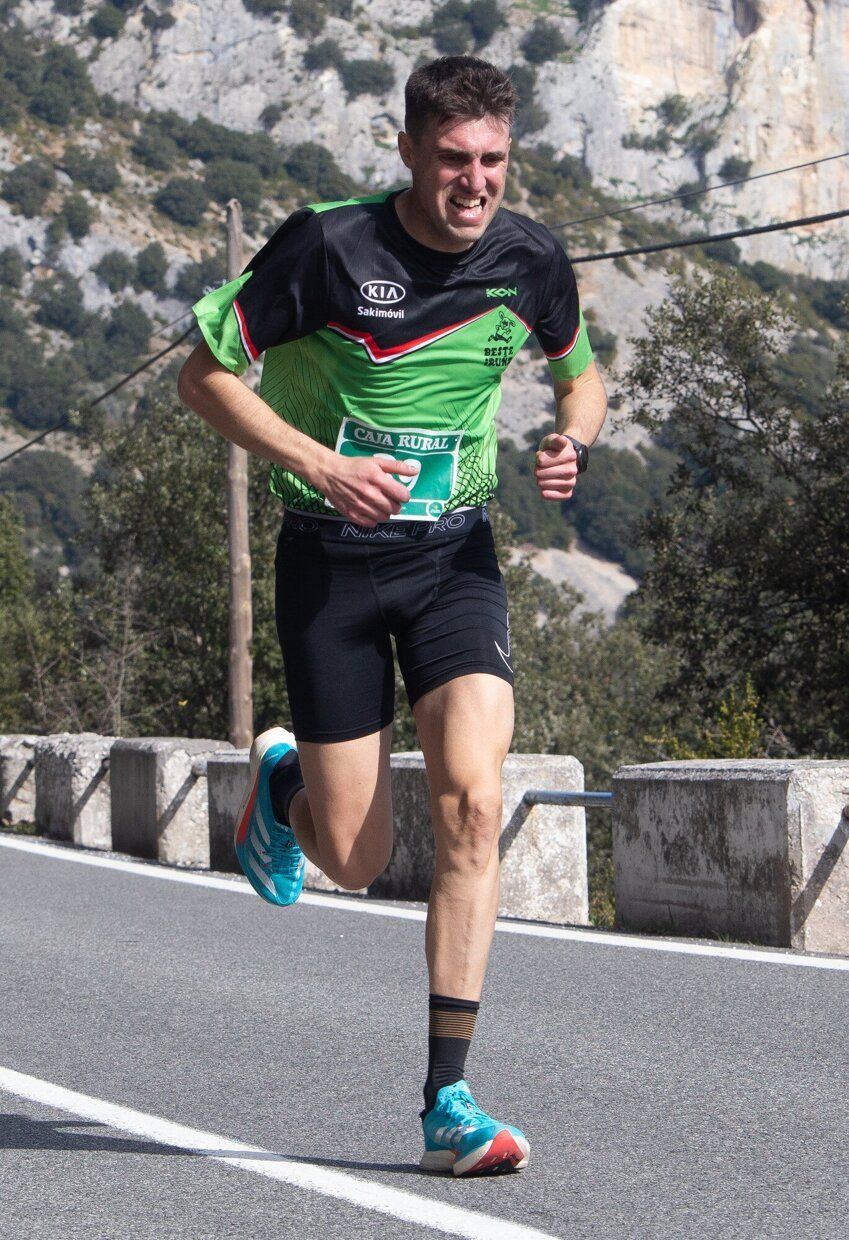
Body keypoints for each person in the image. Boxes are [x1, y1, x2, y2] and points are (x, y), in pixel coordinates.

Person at [177, 54, 607, 1177]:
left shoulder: (530, 259)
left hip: (453, 555)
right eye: (455, 160)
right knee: (359, 859)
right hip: (331, 564)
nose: (476, 184)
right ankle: (282, 784)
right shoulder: (327, 245)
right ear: (408, 149)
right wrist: (319, 463)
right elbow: (205, 378)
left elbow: (583, 374)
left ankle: (447, 1101)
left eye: (495, 163)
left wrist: (574, 437)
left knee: (472, 802)